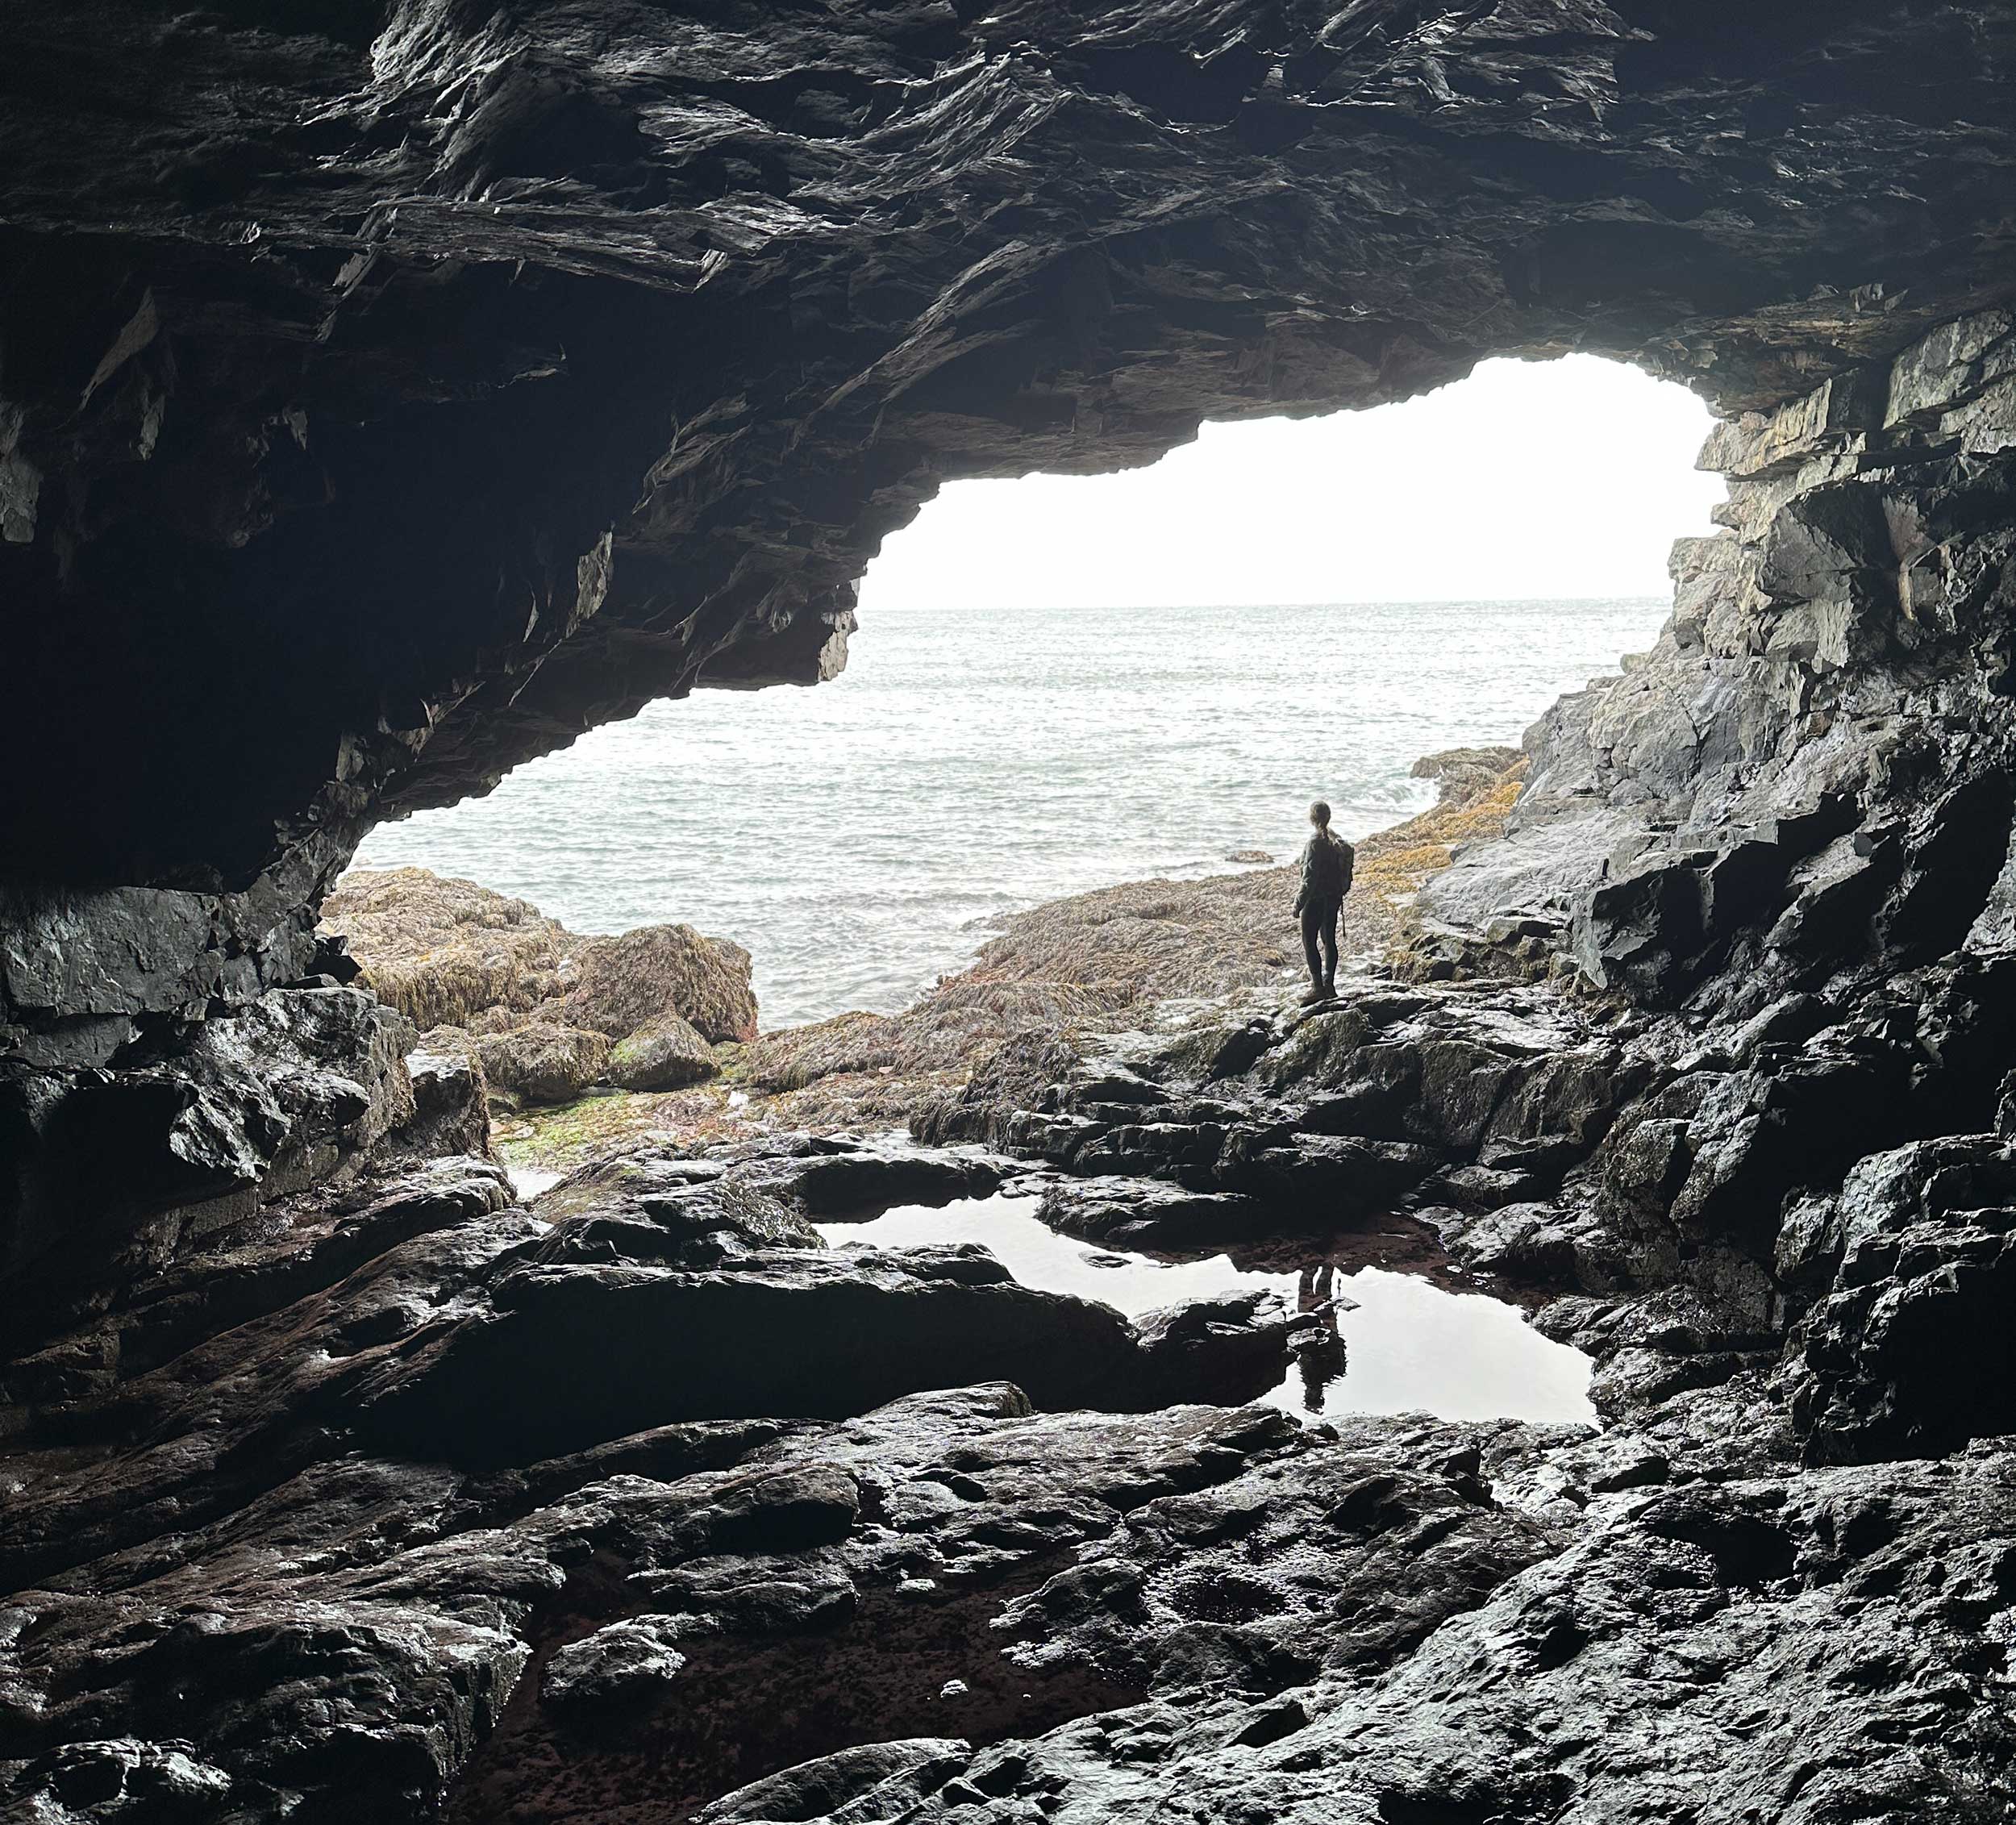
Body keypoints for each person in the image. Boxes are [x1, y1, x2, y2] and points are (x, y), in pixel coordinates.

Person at [1293, 799, 1354, 1004]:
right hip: (1333, 898)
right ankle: (1329, 985)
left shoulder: (1314, 842)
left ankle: (1317, 987)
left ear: (1312, 818)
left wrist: (1298, 903)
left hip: (1316, 899)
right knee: (1329, 940)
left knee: (1309, 941)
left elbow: (1309, 879)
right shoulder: (1335, 840)